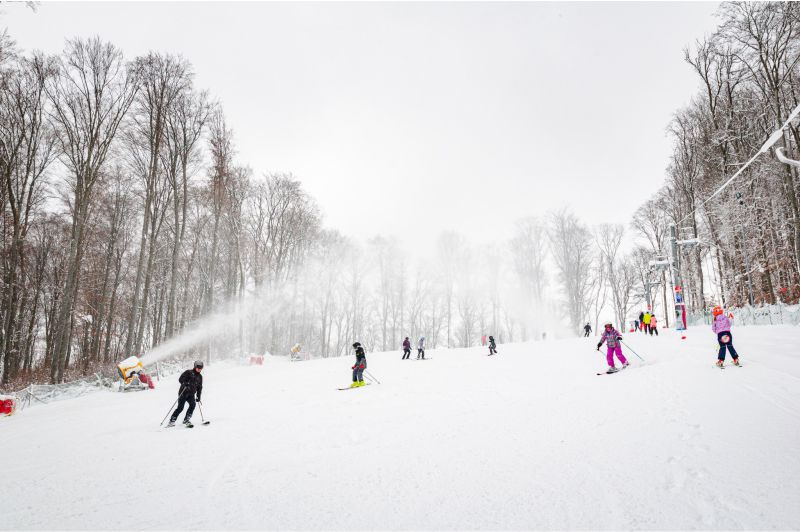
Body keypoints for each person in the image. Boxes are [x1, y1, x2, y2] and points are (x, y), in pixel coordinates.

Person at [168, 360, 203, 427]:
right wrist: (185, 383)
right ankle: (172, 421)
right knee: (180, 408)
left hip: (191, 394)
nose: (199, 369)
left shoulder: (200, 377)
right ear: (195, 367)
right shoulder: (188, 372)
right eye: (198, 368)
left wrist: (198, 396)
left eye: (201, 368)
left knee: (193, 405)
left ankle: (186, 420)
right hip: (183, 393)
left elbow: (199, 387)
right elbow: (180, 379)